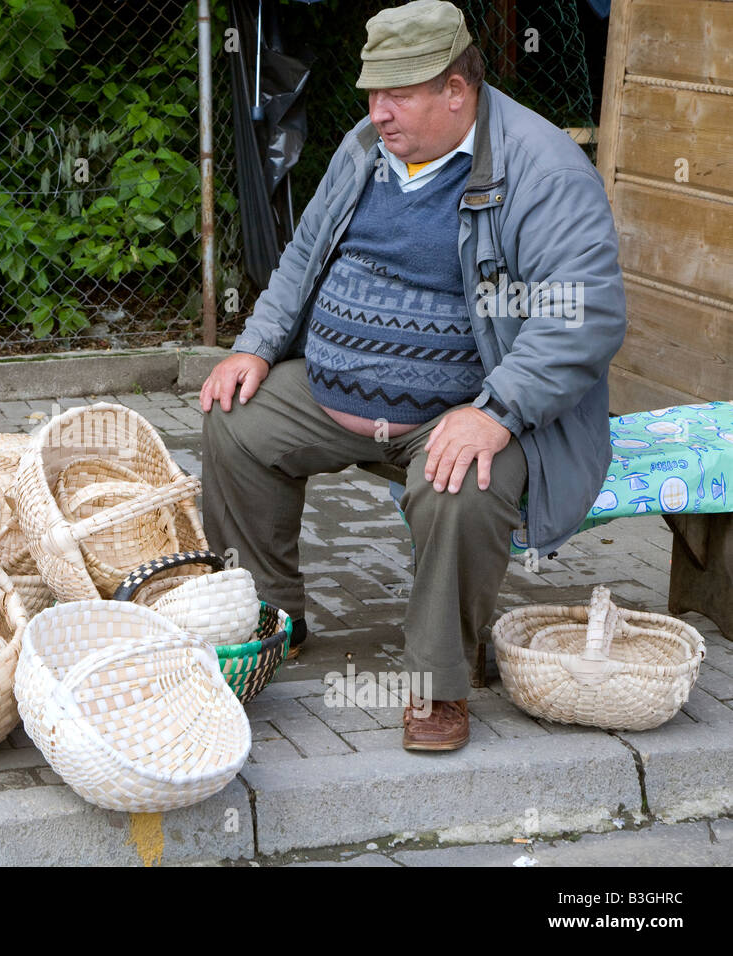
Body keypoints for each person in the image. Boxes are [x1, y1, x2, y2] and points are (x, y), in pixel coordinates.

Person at [199, 0, 626, 751]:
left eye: (397, 94)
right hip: (335, 397)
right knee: (235, 421)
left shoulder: (545, 168)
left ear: (455, 91)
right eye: (372, 92)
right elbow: (301, 258)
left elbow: (581, 315)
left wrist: (496, 412)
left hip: (467, 405)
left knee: (465, 482)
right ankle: (274, 617)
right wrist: (256, 346)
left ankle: (439, 685)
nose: (377, 111)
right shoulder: (366, 147)